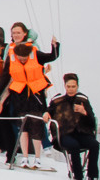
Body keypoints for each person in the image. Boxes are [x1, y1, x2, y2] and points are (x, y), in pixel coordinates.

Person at [5, 22, 61, 160]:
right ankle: (20, 151)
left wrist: (55, 46)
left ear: (25, 33)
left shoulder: (33, 48)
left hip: (35, 90)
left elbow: (49, 57)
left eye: (19, 32)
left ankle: (44, 147)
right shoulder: (10, 49)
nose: (16, 35)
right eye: (14, 33)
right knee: (17, 119)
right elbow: (6, 71)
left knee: (37, 118)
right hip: (18, 91)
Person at [53, 74, 100, 180]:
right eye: (68, 86)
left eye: (73, 86)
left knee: (95, 145)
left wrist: (84, 112)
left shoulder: (83, 100)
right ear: (65, 86)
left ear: (77, 86)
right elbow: (49, 112)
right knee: (74, 146)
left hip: (82, 133)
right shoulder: (58, 101)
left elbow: (92, 121)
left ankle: (91, 179)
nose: (70, 89)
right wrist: (46, 114)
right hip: (65, 134)